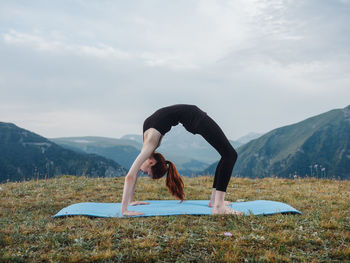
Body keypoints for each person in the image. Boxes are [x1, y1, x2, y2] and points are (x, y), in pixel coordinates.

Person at [121, 104, 242, 216]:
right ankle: (216, 202)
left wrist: (125, 210)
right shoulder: (148, 145)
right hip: (192, 117)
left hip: (195, 117)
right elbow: (134, 173)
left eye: (146, 173)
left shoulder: (150, 143)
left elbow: (130, 176)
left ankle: (218, 205)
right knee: (228, 155)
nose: (142, 172)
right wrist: (130, 201)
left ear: (152, 162)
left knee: (230, 155)